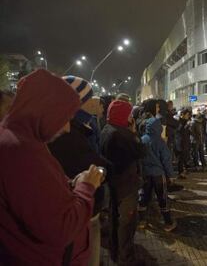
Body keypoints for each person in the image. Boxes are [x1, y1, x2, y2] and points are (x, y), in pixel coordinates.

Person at [0, 69, 103, 265]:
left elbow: (40, 200)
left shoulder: (22, 141)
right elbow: (61, 228)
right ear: (46, 109)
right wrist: (86, 187)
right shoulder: (20, 151)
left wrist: (72, 184)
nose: (67, 128)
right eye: (65, 117)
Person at [47, 76, 107, 266]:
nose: (96, 102)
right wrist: (90, 182)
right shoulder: (67, 135)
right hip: (81, 215)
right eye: (91, 98)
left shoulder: (84, 127)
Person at [100, 100, 145, 265]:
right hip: (126, 186)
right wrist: (133, 133)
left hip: (113, 183)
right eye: (129, 114)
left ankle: (115, 252)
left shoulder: (106, 129)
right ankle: (127, 259)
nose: (131, 117)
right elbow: (141, 151)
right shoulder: (122, 135)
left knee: (115, 219)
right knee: (127, 224)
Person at [138, 117, 177, 232]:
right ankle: (168, 222)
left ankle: (142, 221)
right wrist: (171, 175)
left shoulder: (142, 140)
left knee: (144, 196)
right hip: (158, 175)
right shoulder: (160, 142)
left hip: (145, 173)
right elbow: (166, 159)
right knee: (162, 197)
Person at [175, 108, 192, 178]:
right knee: (180, 159)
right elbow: (178, 131)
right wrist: (187, 125)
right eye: (187, 115)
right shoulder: (179, 121)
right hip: (180, 142)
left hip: (186, 142)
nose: (188, 116)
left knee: (185, 157)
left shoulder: (186, 121)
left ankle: (184, 170)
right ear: (182, 115)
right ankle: (180, 172)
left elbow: (188, 132)